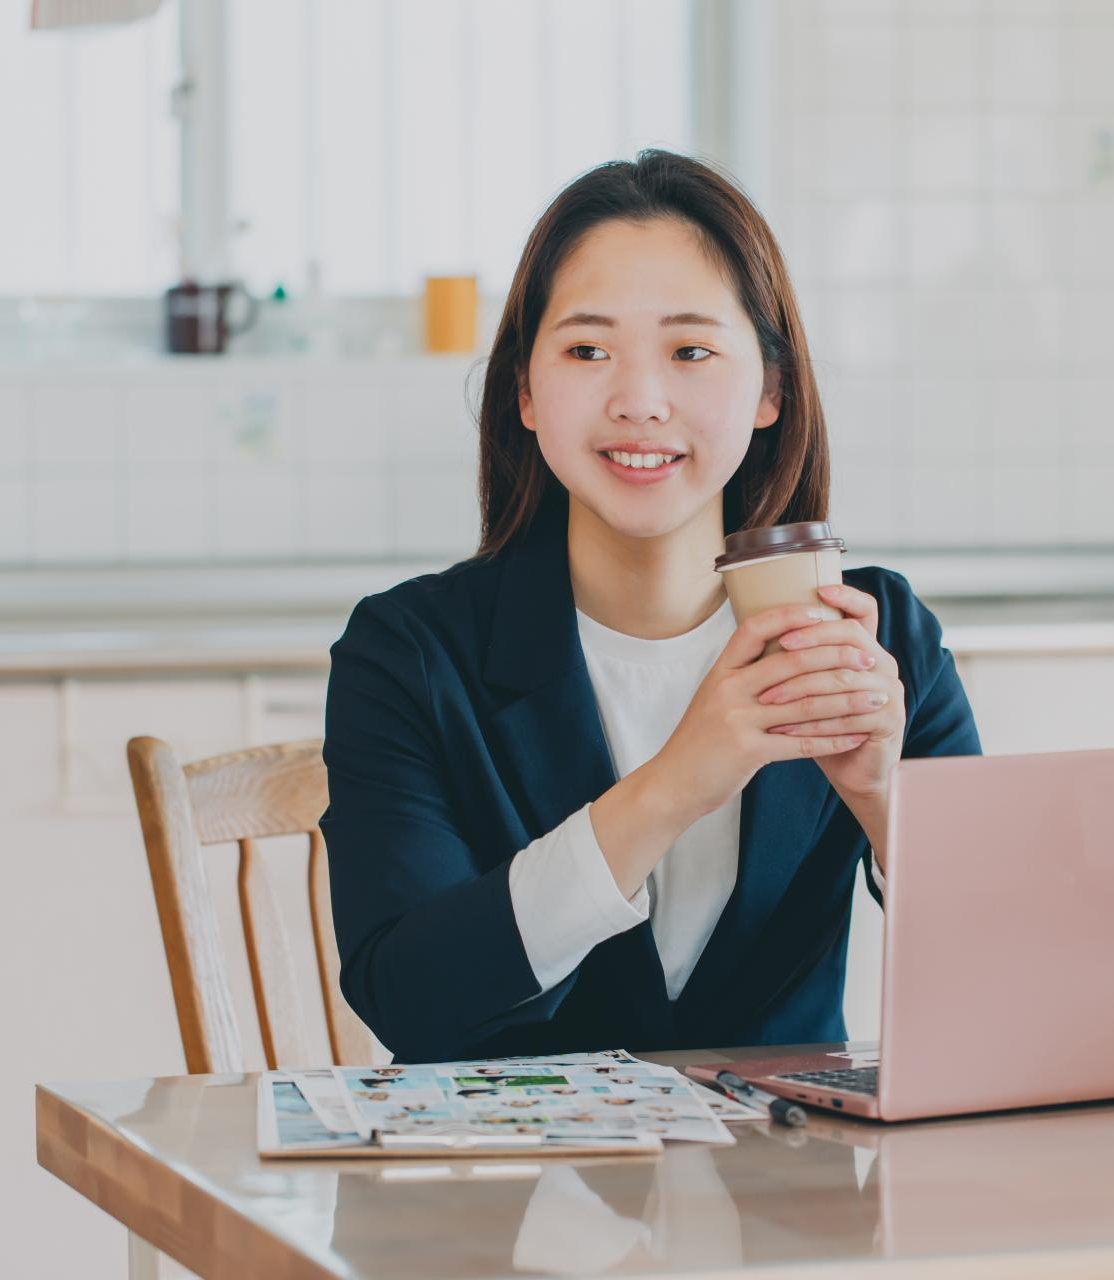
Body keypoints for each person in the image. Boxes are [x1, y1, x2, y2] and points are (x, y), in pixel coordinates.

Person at [322, 149, 980, 1064]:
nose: (639, 401)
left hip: (792, 1192)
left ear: (770, 390)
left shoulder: (877, 632)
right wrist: (676, 784)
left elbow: (1003, 967)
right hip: (509, 1198)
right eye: (587, 351)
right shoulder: (409, 654)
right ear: (522, 388)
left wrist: (885, 803)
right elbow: (410, 999)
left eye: (691, 351)